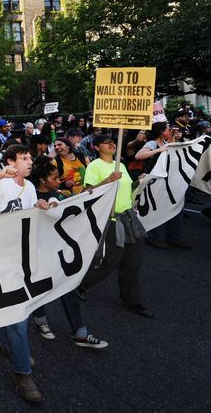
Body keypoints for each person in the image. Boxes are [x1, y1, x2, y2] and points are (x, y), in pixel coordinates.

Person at [0, 144, 48, 403]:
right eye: (24, 158)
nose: (29, 162)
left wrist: (40, 205)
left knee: (11, 308)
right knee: (18, 314)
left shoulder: (31, 187)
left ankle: (7, 344)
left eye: (30, 158)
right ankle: (23, 374)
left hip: (20, 257)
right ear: (12, 161)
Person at [27, 159, 108, 349]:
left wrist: (108, 182)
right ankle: (41, 320)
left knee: (68, 286)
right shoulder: (31, 196)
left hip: (59, 250)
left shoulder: (59, 194)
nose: (58, 180)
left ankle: (80, 332)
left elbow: (81, 201)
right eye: (54, 178)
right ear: (42, 180)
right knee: (40, 288)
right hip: (38, 252)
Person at [80, 134, 153, 318]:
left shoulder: (119, 164)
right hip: (111, 219)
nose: (112, 144)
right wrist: (108, 180)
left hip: (128, 217)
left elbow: (126, 189)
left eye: (112, 141)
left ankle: (131, 299)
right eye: (106, 142)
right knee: (108, 261)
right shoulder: (94, 166)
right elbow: (87, 192)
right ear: (96, 147)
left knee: (133, 261)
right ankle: (79, 286)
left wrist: (140, 181)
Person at [135, 122, 190, 249]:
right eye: (167, 129)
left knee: (176, 207)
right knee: (156, 209)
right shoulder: (152, 143)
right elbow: (139, 155)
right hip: (154, 182)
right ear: (161, 131)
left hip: (166, 182)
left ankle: (173, 237)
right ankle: (153, 238)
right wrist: (159, 150)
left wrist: (173, 138)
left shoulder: (165, 143)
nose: (169, 130)